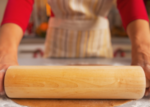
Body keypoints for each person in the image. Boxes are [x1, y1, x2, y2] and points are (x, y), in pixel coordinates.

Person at [0, 0, 150, 95]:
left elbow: (129, 2)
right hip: (58, 44)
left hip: (98, 43)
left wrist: (144, 51)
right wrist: (5, 53)